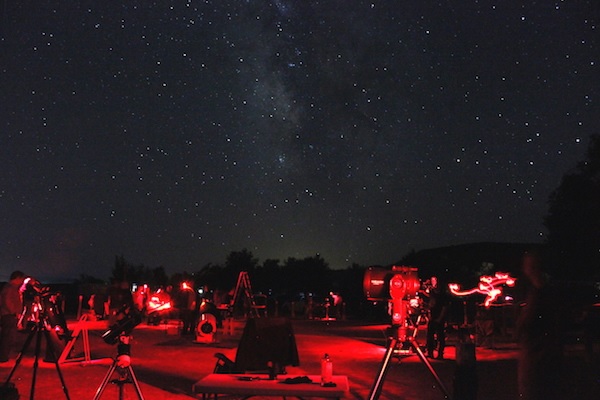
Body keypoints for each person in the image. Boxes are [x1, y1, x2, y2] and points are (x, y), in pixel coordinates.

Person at [517, 251, 564, 400]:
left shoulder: (537, 294)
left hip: (536, 354)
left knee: (532, 390)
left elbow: (527, 322)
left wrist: (519, 329)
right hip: (548, 353)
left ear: (531, 267)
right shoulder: (550, 292)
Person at [0, 270, 26, 362]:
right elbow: (7, 302)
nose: (22, 281)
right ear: (17, 278)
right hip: (9, 315)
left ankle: (4, 355)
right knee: (7, 337)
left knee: (7, 336)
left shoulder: (11, 288)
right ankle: (3, 357)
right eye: (21, 279)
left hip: (9, 315)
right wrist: (14, 312)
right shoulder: (10, 288)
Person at [426, 276, 450, 359]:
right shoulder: (432, 291)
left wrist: (440, 317)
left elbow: (445, 306)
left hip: (440, 315)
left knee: (440, 335)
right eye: (432, 280)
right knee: (430, 335)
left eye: (434, 280)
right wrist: (429, 313)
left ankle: (440, 353)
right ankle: (430, 352)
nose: (432, 282)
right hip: (433, 315)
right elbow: (431, 303)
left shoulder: (443, 293)